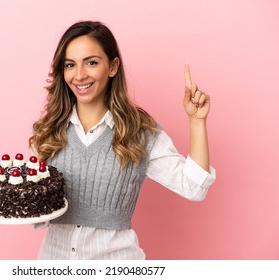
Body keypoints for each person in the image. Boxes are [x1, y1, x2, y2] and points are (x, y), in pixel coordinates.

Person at [29, 20, 216, 260]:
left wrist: (197, 122)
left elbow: (194, 187)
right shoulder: (48, 132)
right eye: (70, 65)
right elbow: (36, 212)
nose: (79, 75)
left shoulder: (139, 132)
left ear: (113, 66)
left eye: (91, 63)